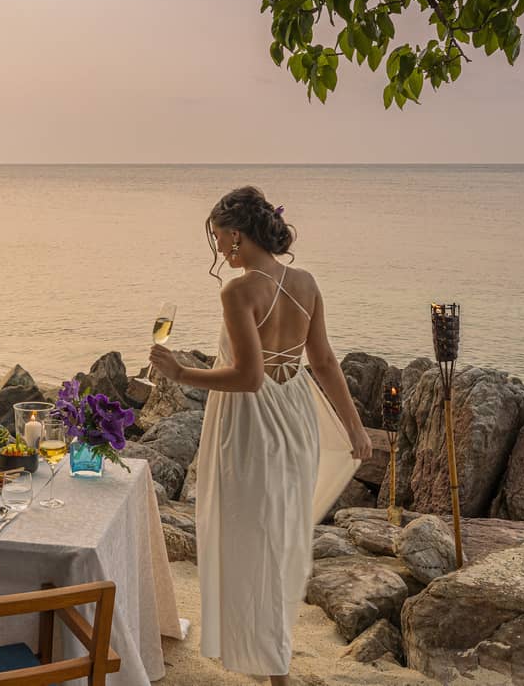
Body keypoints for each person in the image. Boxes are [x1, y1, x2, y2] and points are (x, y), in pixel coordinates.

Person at [150, 186, 371, 685]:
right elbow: (326, 362)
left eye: (217, 237)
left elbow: (247, 378)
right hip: (296, 418)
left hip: (251, 424)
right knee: (280, 538)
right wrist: (354, 427)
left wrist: (181, 373)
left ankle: (274, 668)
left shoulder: (238, 291)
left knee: (249, 539)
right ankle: (274, 659)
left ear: (235, 235)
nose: (217, 249)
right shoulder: (306, 282)